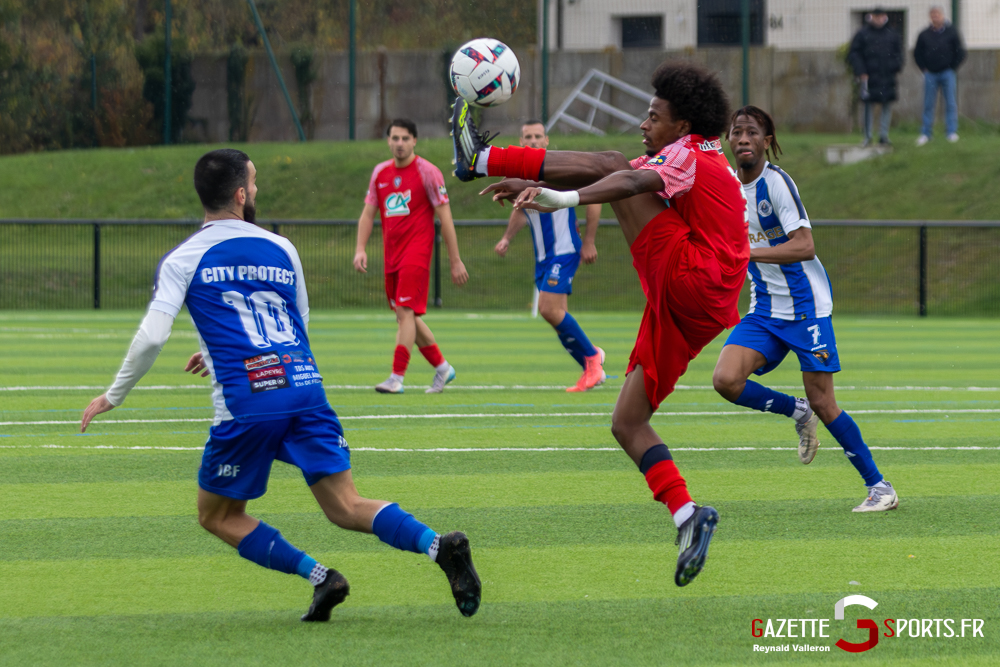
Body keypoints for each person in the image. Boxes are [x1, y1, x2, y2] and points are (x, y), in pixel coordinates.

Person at [80, 149, 481, 620]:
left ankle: (321, 577)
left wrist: (114, 395)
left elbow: (152, 336)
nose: (257, 189)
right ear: (240, 194)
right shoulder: (282, 247)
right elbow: (297, 325)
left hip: (249, 404)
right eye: (254, 181)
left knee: (216, 515)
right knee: (346, 505)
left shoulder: (183, 258)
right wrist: (226, 354)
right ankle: (440, 547)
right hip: (305, 387)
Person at [453, 61, 750, 586]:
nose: (644, 123)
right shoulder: (693, 153)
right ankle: (688, 515)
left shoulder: (687, 153)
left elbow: (625, 175)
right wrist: (532, 178)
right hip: (697, 306)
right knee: (626, 422)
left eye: (653, 116)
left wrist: (557, 197)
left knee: (613, 161)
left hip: (694, 278)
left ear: (681, 126)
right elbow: (609, 171)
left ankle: (479, 157)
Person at [713, 106, 899, 513]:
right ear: (728, 140)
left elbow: (804, 246)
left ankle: (880, 487)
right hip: (764, 310)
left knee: (824, 400)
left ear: (767, 141)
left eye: (752, 132)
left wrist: (745, 252)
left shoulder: (776, 183)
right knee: (726, 379)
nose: (743, 138)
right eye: (737, 132)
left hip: (806, 309)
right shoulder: (726, 187)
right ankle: (794, 411)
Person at [354, 119, 469, 394]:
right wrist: (360, 248)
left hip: (417, 253)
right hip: (391, 255)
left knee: (405, 312)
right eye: (395, 138)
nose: (400, 143)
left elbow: (446, 218)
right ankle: (443, 368)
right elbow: (368, 213)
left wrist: (455, 260)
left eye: (405, 138)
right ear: (388, 141)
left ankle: (396, 377)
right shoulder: (380, 173)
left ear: (415, 140)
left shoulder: (428, 172)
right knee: (406, 317)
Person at [494, 120, 606, 392]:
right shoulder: (522, 176)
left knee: (548, 308)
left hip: (565, 251)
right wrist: (507, 237)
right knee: (556, 316)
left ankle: (592, 358)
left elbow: (594, 197)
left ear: (546, 141)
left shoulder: (559, 169)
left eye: (538, 136)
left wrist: (589, 241)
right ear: (521, 142)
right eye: (527, 136)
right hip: (543, 258)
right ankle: (592, 366)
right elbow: (521, 210)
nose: (533, 140)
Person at [848, 8, 903, 147]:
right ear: (872, 17)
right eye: (876, 16)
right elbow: (854, 53)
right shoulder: (862, 34)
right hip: (869, 77)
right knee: (868, 106)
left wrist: (894, 67)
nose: (878, 19)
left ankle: (884, 136)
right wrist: (861, 71)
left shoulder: (892, 34)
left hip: (887, 76)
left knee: (886, 105)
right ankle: (867, 137)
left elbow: (899, 54)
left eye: (881, 16)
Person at [914, 5, 966, 145]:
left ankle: (951, 132)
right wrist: (923, 68)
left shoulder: (952, 32)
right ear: (930, 17)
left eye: (938, 14)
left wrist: (952, 67)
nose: (935, 17)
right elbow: (917, 53)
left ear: (942, 16)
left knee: (950, 102)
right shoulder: (924, 34)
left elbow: (960, 52)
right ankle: (926, 133)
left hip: (947, 73)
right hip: (930, 73)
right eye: (933, 14)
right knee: (928, 104)